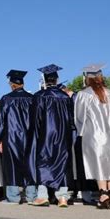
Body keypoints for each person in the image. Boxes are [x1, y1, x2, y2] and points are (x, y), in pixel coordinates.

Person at [75, 64, 110, 209]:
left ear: (87, 78)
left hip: (94, 135)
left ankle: (103, 194)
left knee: (99, 164)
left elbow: (79, 117)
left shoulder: (83, 94)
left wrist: (81, 132)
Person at [32, 64, 76, 208]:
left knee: (44, 161)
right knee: (62, 162)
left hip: (45, 134)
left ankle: (43, 196)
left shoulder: (39, 96)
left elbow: (36, 119)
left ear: (44, 80)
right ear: (57, 79)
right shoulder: (65, 97)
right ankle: (62, 197)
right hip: (63, 134)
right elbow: (71, 119)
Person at [0, 70, 36, 204]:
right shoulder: (32, 98)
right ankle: (31, 196)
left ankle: (13, 197)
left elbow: (0, 120)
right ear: (22, 83)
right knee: (30, 165)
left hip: (11, 137)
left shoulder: (6, 99)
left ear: (12, 84)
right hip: (29, 137)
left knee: (11, 165)